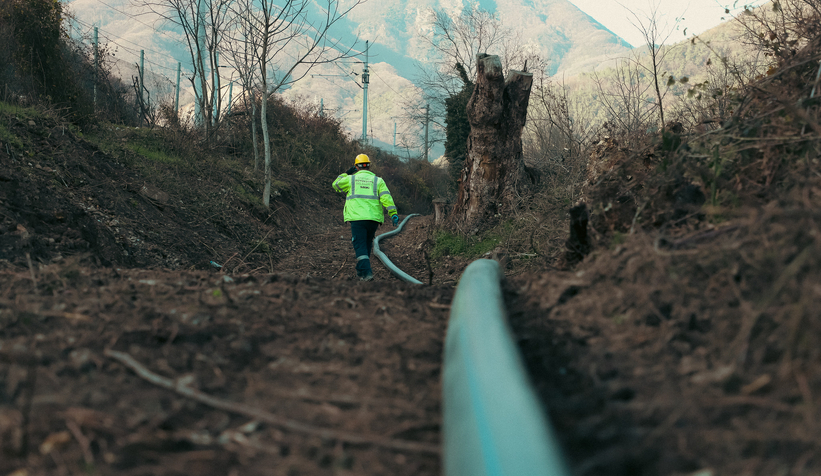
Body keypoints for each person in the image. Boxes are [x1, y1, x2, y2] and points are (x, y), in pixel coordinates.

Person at [332, 153, 400, 281]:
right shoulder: (378, 181)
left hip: (357, 218)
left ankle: (367, 272)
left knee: (359, 244)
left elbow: (335, 184)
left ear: (356, 167)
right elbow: (387, 198)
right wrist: (393, 214)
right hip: (373, 219)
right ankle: (361, 271)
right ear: (369, 166)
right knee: (367, 243)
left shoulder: (351, 179)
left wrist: (346, 173)